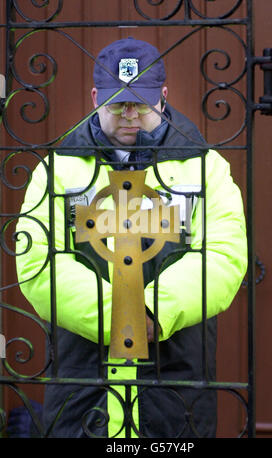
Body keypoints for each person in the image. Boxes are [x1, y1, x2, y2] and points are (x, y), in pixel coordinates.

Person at [16, 37, 247, 438]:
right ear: (93, 98)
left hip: (173, 384)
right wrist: (121, 320)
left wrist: (154, 313)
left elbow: (223, 256)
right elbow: (37, 262)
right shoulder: (58, 169)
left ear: (163, 96)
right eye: (116, 102)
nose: (128, 115)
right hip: (83, 384)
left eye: (140, 102)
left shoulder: (205, 167)